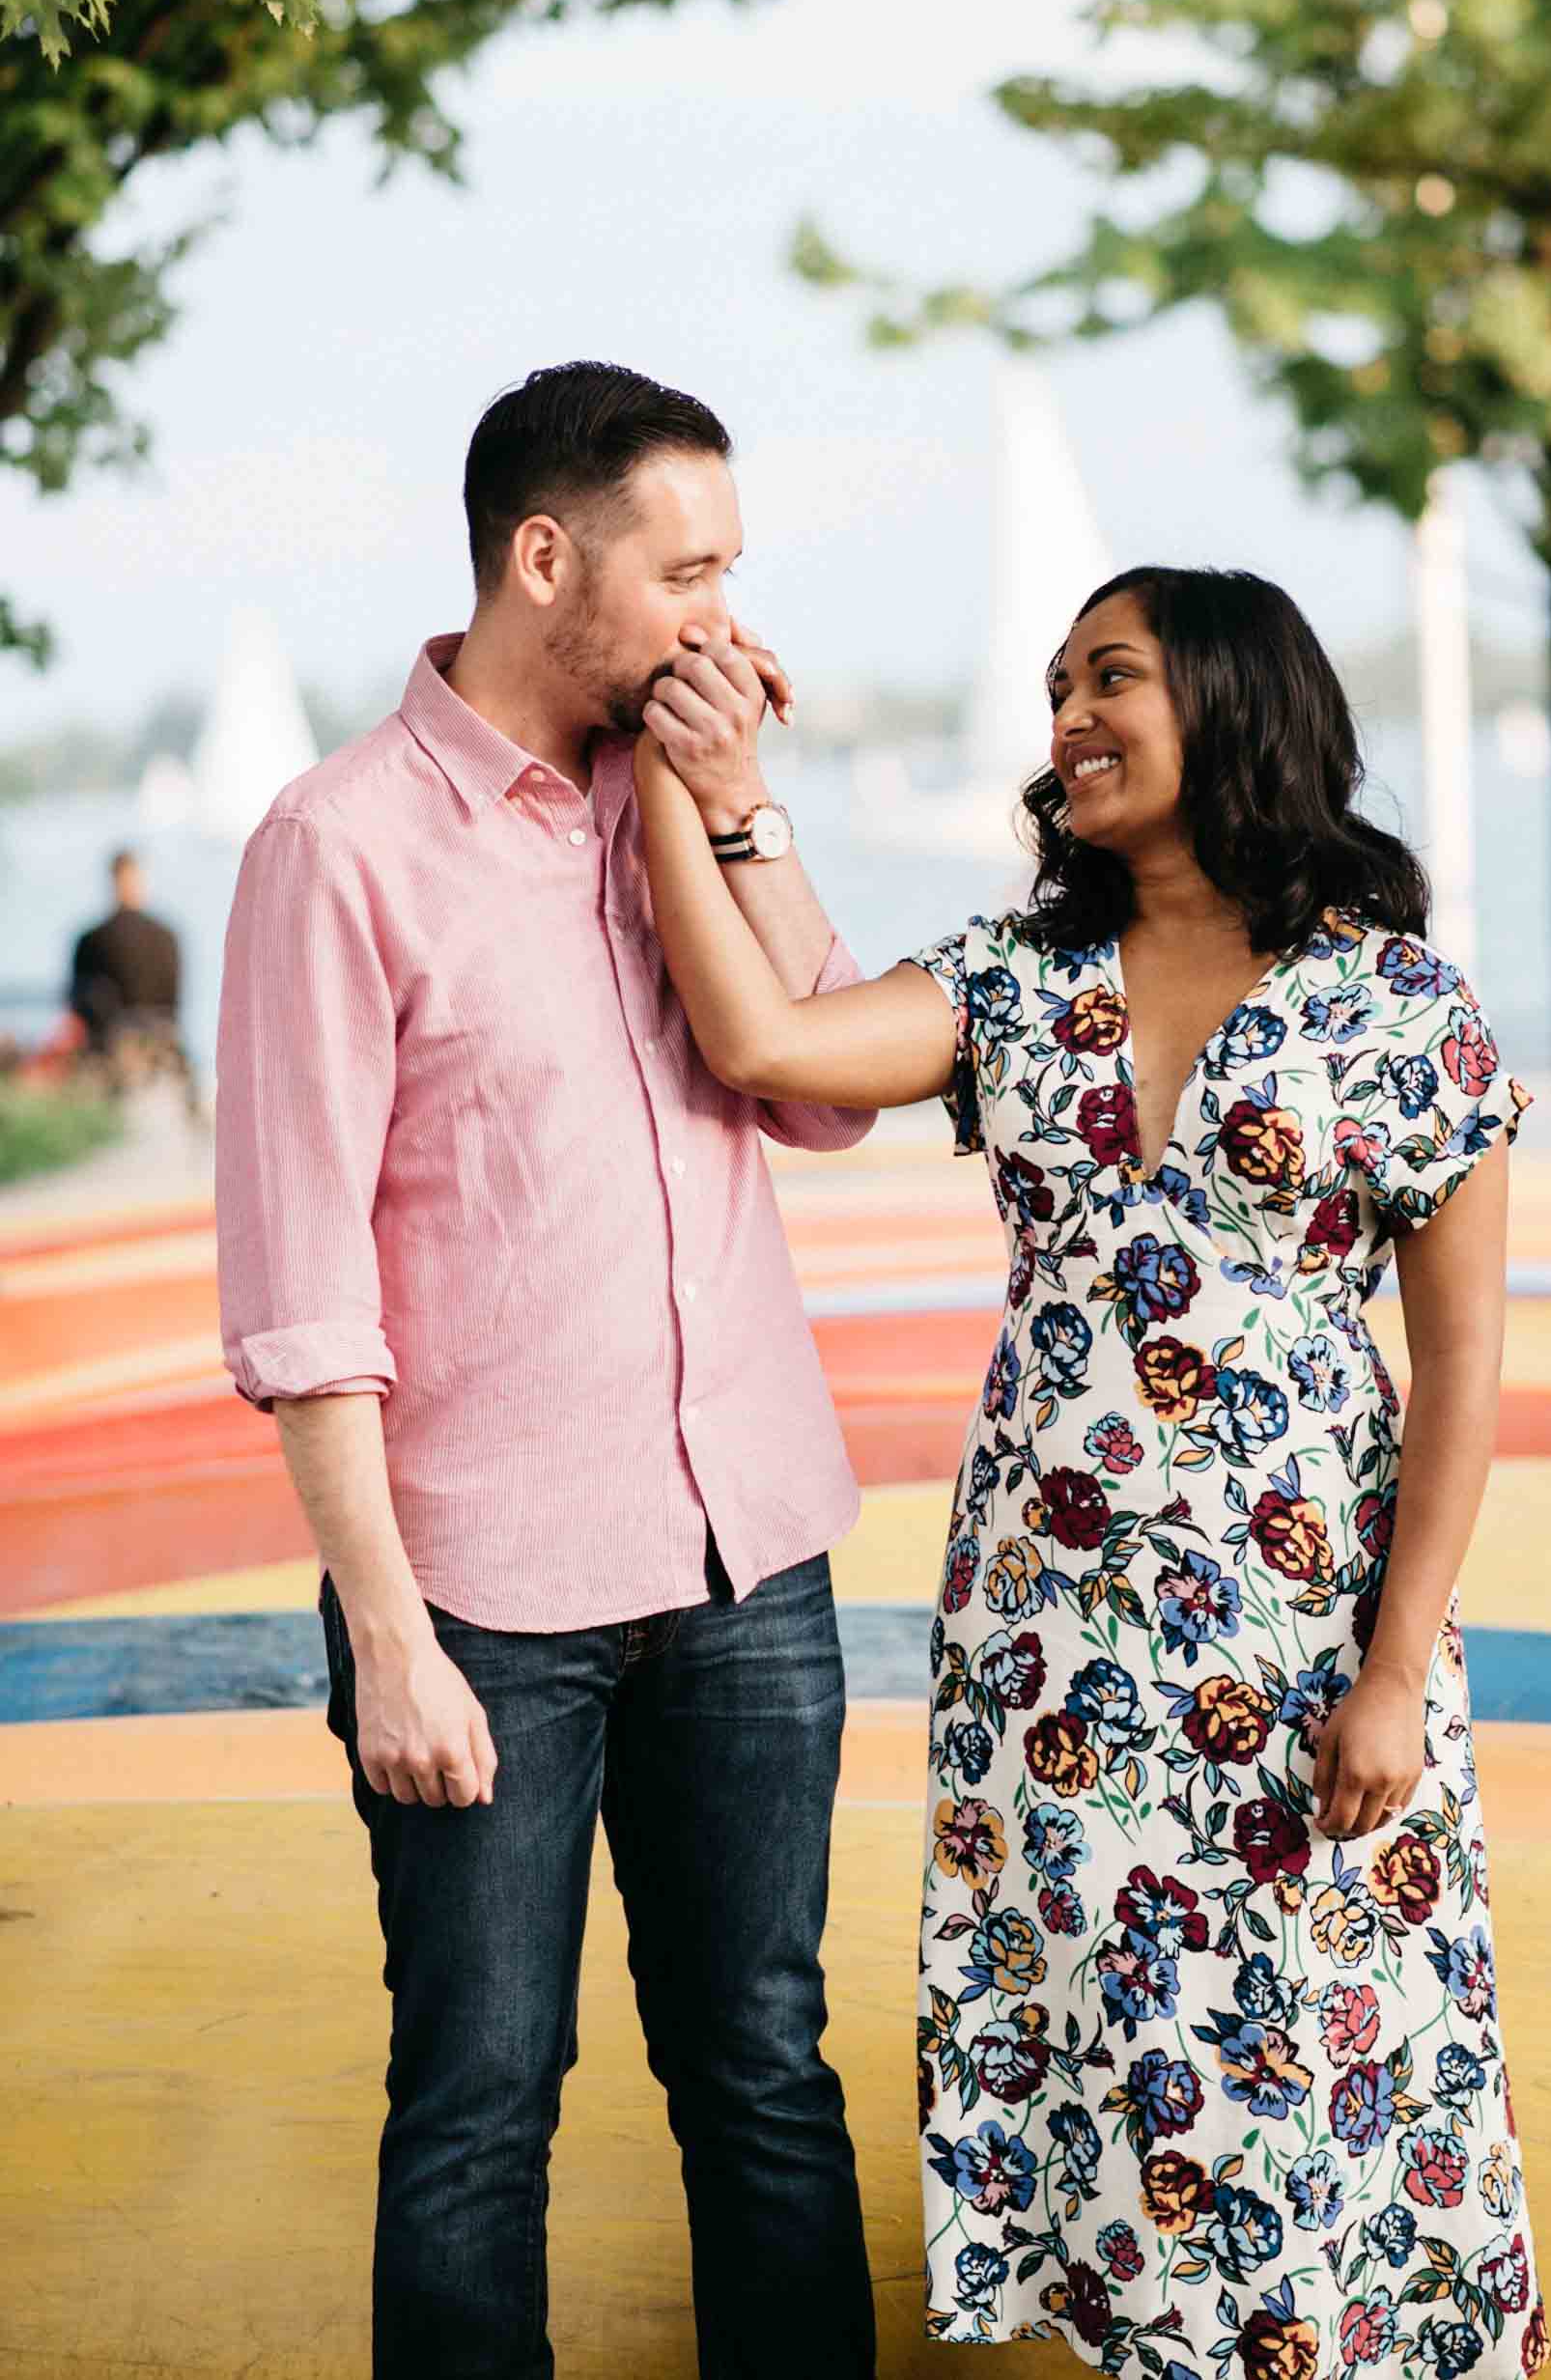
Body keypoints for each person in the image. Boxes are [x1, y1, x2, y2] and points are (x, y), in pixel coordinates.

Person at [633, 564, 1550, 2377]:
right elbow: (767, 1035)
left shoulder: (1398, 1003)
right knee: (1118, 2058)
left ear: (1232, 701)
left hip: (1301, 1644)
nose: (1065, 713)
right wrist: (688, 772)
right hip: (1053, 1642)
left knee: (1317, 2061)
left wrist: (1393, 1666)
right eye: (1056, 681)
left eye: (1107, 675)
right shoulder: (1017, 979)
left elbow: (1458, 1373)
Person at [214, 361, 879, 2380]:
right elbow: (303, 1292)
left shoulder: (677, 794)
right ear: (544, 558)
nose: (725, 619)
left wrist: (740, 802)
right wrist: (387, 1636)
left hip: (750, 1557)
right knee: (481, 2108)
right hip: (487, 1601)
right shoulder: (338, 847)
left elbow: (829, 1090)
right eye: (689, 572)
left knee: (763, 2068)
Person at [69, 848, 198, 1106]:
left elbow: (78, 1001)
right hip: (159, 1034)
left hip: (116, 1038)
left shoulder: (91, 939)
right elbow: (175, 998)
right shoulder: (166, 935)